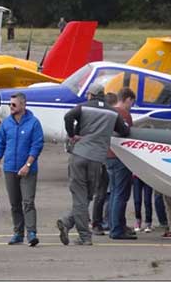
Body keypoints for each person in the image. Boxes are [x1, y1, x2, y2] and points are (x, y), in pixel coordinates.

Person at [56, 84, 130, 246]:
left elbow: (68, 116)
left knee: (80, 197)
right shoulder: (112, 112)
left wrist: (72, 134)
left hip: (80, 155)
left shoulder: (83, 107)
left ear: (91, 95)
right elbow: (124, 131)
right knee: (88, 196)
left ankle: (83, 235)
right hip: (97, 159)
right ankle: (68, 222)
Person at [0, 92, 44, 247]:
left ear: (23, 105)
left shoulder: (34, 123)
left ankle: (31, 232)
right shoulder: (6, 123)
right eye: (10, 104)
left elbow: (37, 145)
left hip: (28, 169)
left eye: (14, 104)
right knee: (14, 203)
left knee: (28, 201)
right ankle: (18, 233)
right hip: (10, 168)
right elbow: (0, 143)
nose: (11, 107)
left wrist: (27, 165)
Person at [106, 87, 136, 240]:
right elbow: (128, 137)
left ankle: (114, 225)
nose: (131, 106)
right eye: (132, 102)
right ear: (128, 99)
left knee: (113, 193)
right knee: (121, 194)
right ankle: (117, 230)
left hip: (108, 156)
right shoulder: (124, 114)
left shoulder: (109, 112)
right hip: (120, 158)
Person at [91, 92, 119, 236]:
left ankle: (98, 222)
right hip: (104, 158)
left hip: (97, 157)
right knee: (103, 193)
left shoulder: (98, 118)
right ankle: (97, 223)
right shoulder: (110, 117)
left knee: (101, 193)